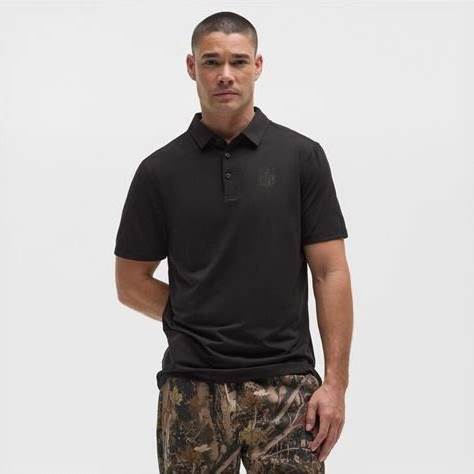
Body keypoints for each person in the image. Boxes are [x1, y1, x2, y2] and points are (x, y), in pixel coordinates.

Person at [114, 10, 353, 473]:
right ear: (191, 67)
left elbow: (331, 271)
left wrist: (336, 384)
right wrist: (194, 316)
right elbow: (130, 282)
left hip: (288, 389)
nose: (225, 74)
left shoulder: (301, 157)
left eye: (238, 61)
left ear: (257, 66)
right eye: (212, 61)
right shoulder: (159, 171)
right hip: (192, 389)